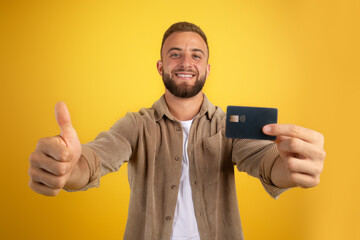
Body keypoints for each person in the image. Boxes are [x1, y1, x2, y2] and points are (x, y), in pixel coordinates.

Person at [28, 22, 326, 240]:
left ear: (208, 68)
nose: (186, 63)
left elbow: (265, 160)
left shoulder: (227, 125)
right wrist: (67, 167)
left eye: (197, 55)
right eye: (175, 54)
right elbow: (93, 159)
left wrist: (290, 166)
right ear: (160, 66)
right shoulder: (136, 125)